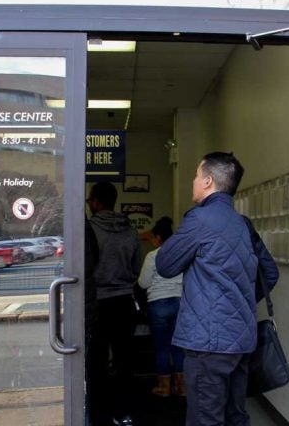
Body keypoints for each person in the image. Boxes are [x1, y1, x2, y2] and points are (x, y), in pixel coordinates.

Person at [156, 152, 279, 426]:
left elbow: (165, 264)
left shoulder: (199, 220)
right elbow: (270, 274)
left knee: (205, 418)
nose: (193, 181)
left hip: (207, 342)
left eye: (196, 175)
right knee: (235, 416)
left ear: (208, 181)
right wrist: (240, 302)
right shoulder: (243, 224)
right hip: (241, 338)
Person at [86, 182, 142, 426]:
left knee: (96, 360)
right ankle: (124, 412)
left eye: (90, 201)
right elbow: (137, 268)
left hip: (98, 301)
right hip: (124, 301)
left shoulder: (88, 230)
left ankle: (98, 415)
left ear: (97, 202)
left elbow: (85, 268)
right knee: (124, 360)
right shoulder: (130, 231)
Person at [137, 216, 185, 398]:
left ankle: (164, 387)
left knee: (162, 347)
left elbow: (142, 283)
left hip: (158, 304)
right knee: (179, 347)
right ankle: (182, 387)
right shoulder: (181, 254)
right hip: (180, 303)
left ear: (158, 238)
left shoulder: (152, 256)